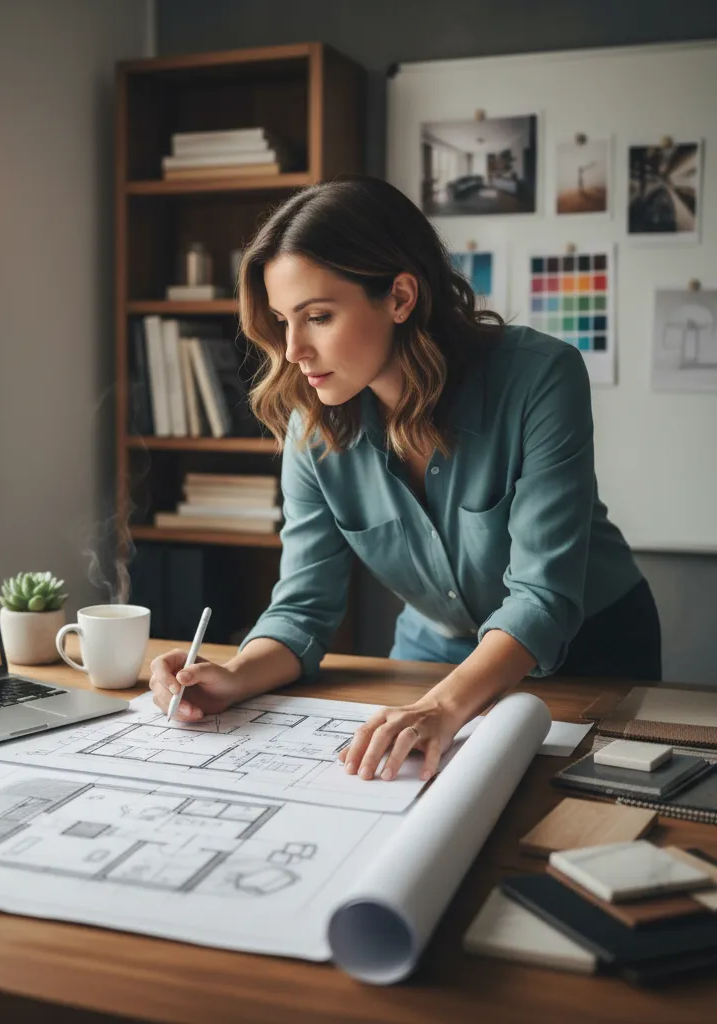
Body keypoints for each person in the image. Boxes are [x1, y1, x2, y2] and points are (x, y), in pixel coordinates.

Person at [148, 175, 660, 783]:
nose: (292, 351)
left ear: (399, 297)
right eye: (284, 321)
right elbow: (303, 609)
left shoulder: (541, 377)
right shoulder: (312, 426)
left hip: (592, 652)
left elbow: (543, 596)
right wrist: (234, 674)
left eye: (317, 316)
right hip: (432, 658)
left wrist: (440, 707)